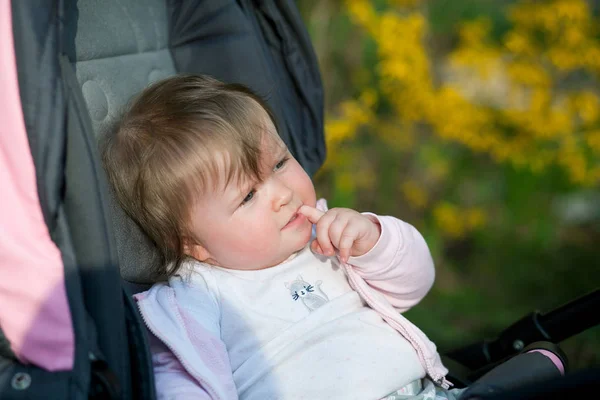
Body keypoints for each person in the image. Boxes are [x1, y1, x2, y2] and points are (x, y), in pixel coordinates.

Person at [101, 74, 464, 400]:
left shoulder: (330, 237)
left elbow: (415, 284)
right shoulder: (198, 299)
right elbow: (182, 384)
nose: (283, 194)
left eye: (280, 164)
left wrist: (373, 241)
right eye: (247, 196)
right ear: (192, 244)